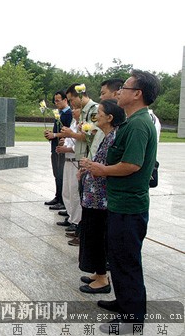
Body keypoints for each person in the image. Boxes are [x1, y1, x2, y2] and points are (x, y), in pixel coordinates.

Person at [88, 70, 159, 335]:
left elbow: (132, 164)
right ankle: (124, 303)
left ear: (137, 94)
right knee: (118, 258)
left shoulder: (140, 124)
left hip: (130, 207)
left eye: (125, 88)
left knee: (127, 262)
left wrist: (101, 169)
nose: (120, 92)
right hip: (120, 204)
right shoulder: (132, 121)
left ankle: (132, 321)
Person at [78, 99, 125, 294]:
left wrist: (92, 167)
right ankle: (98, 273)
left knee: (98, 237)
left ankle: (103, 279)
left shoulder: (114, 137)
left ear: (110, 117)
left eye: (100, 112)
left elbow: (107, 168)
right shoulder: (106, 136)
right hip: (93, 197)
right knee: (92, 235)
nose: (96, 116)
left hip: (100, 200)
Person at [55, 108, 82, 245]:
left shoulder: (82, 125)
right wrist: (63, 144)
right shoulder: (72, 123)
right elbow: (70, 142)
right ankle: (72, 218)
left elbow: (81, 145)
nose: (73, 111)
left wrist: (67, 148)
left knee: (75, 193)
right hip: (68, 161)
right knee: (67, 192)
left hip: (75, 161)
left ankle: (77, 222)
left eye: (76, 108)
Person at [43, 91, 72, 210]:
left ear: (65, 100)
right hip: (55, 147)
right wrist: (51, 134)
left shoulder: (69, 114)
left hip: (63, 148)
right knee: (57, 173)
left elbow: (69, 132)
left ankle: (62, 200)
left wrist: (55, 135)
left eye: (58, 100)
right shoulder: (59, 114)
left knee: (61, 174)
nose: (56, 103)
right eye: (55, 101)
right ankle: (57, 196)